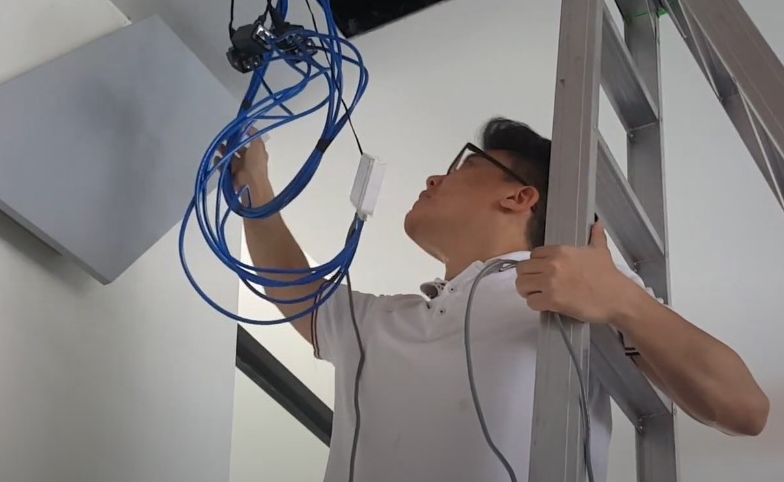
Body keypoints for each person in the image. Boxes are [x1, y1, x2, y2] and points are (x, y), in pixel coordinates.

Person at [232, 117, 769, 482]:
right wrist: (255, 180)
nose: (433, 176)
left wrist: (623, 301)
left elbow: (744, 409)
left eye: (463, 167)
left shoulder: (577, 286)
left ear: (519, 196)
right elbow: (295, 286)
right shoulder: (383, 322)